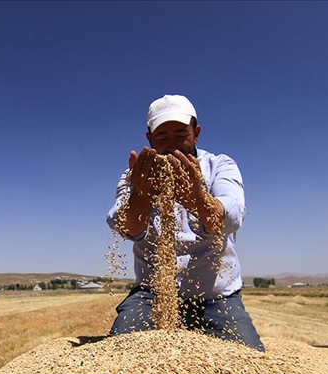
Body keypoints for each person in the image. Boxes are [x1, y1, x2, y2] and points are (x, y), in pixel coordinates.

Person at [106, 94, 265, 352]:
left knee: (247, 360)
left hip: (216, 298)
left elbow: (232, 215)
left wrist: (198, 199)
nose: (172, 145)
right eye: (162, 137)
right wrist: (142, 196)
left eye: (181, 134)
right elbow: (127, 227)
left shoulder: (220, 166)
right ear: (149, 139)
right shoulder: (137, 174)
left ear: (197, 132)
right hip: (152, 295)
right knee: (121, 354)